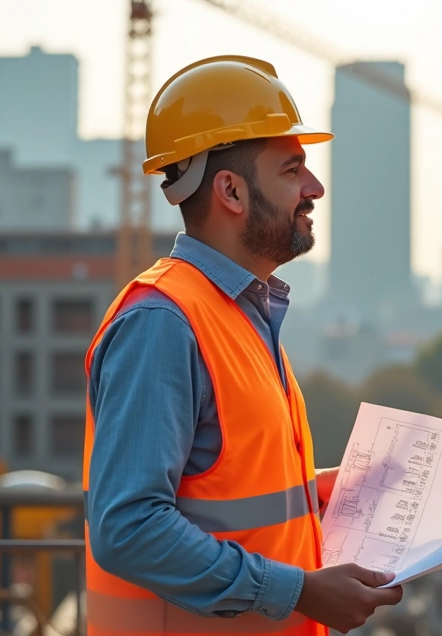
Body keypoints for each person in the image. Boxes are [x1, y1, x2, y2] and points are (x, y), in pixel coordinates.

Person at [82, 55, 403, 635]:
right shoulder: (162, 321)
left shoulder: (238, 313)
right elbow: (128, 527)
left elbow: (220, 487)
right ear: (230, 190)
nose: (315, 188)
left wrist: (314, 497)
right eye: (291, 170)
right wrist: (299, 591)